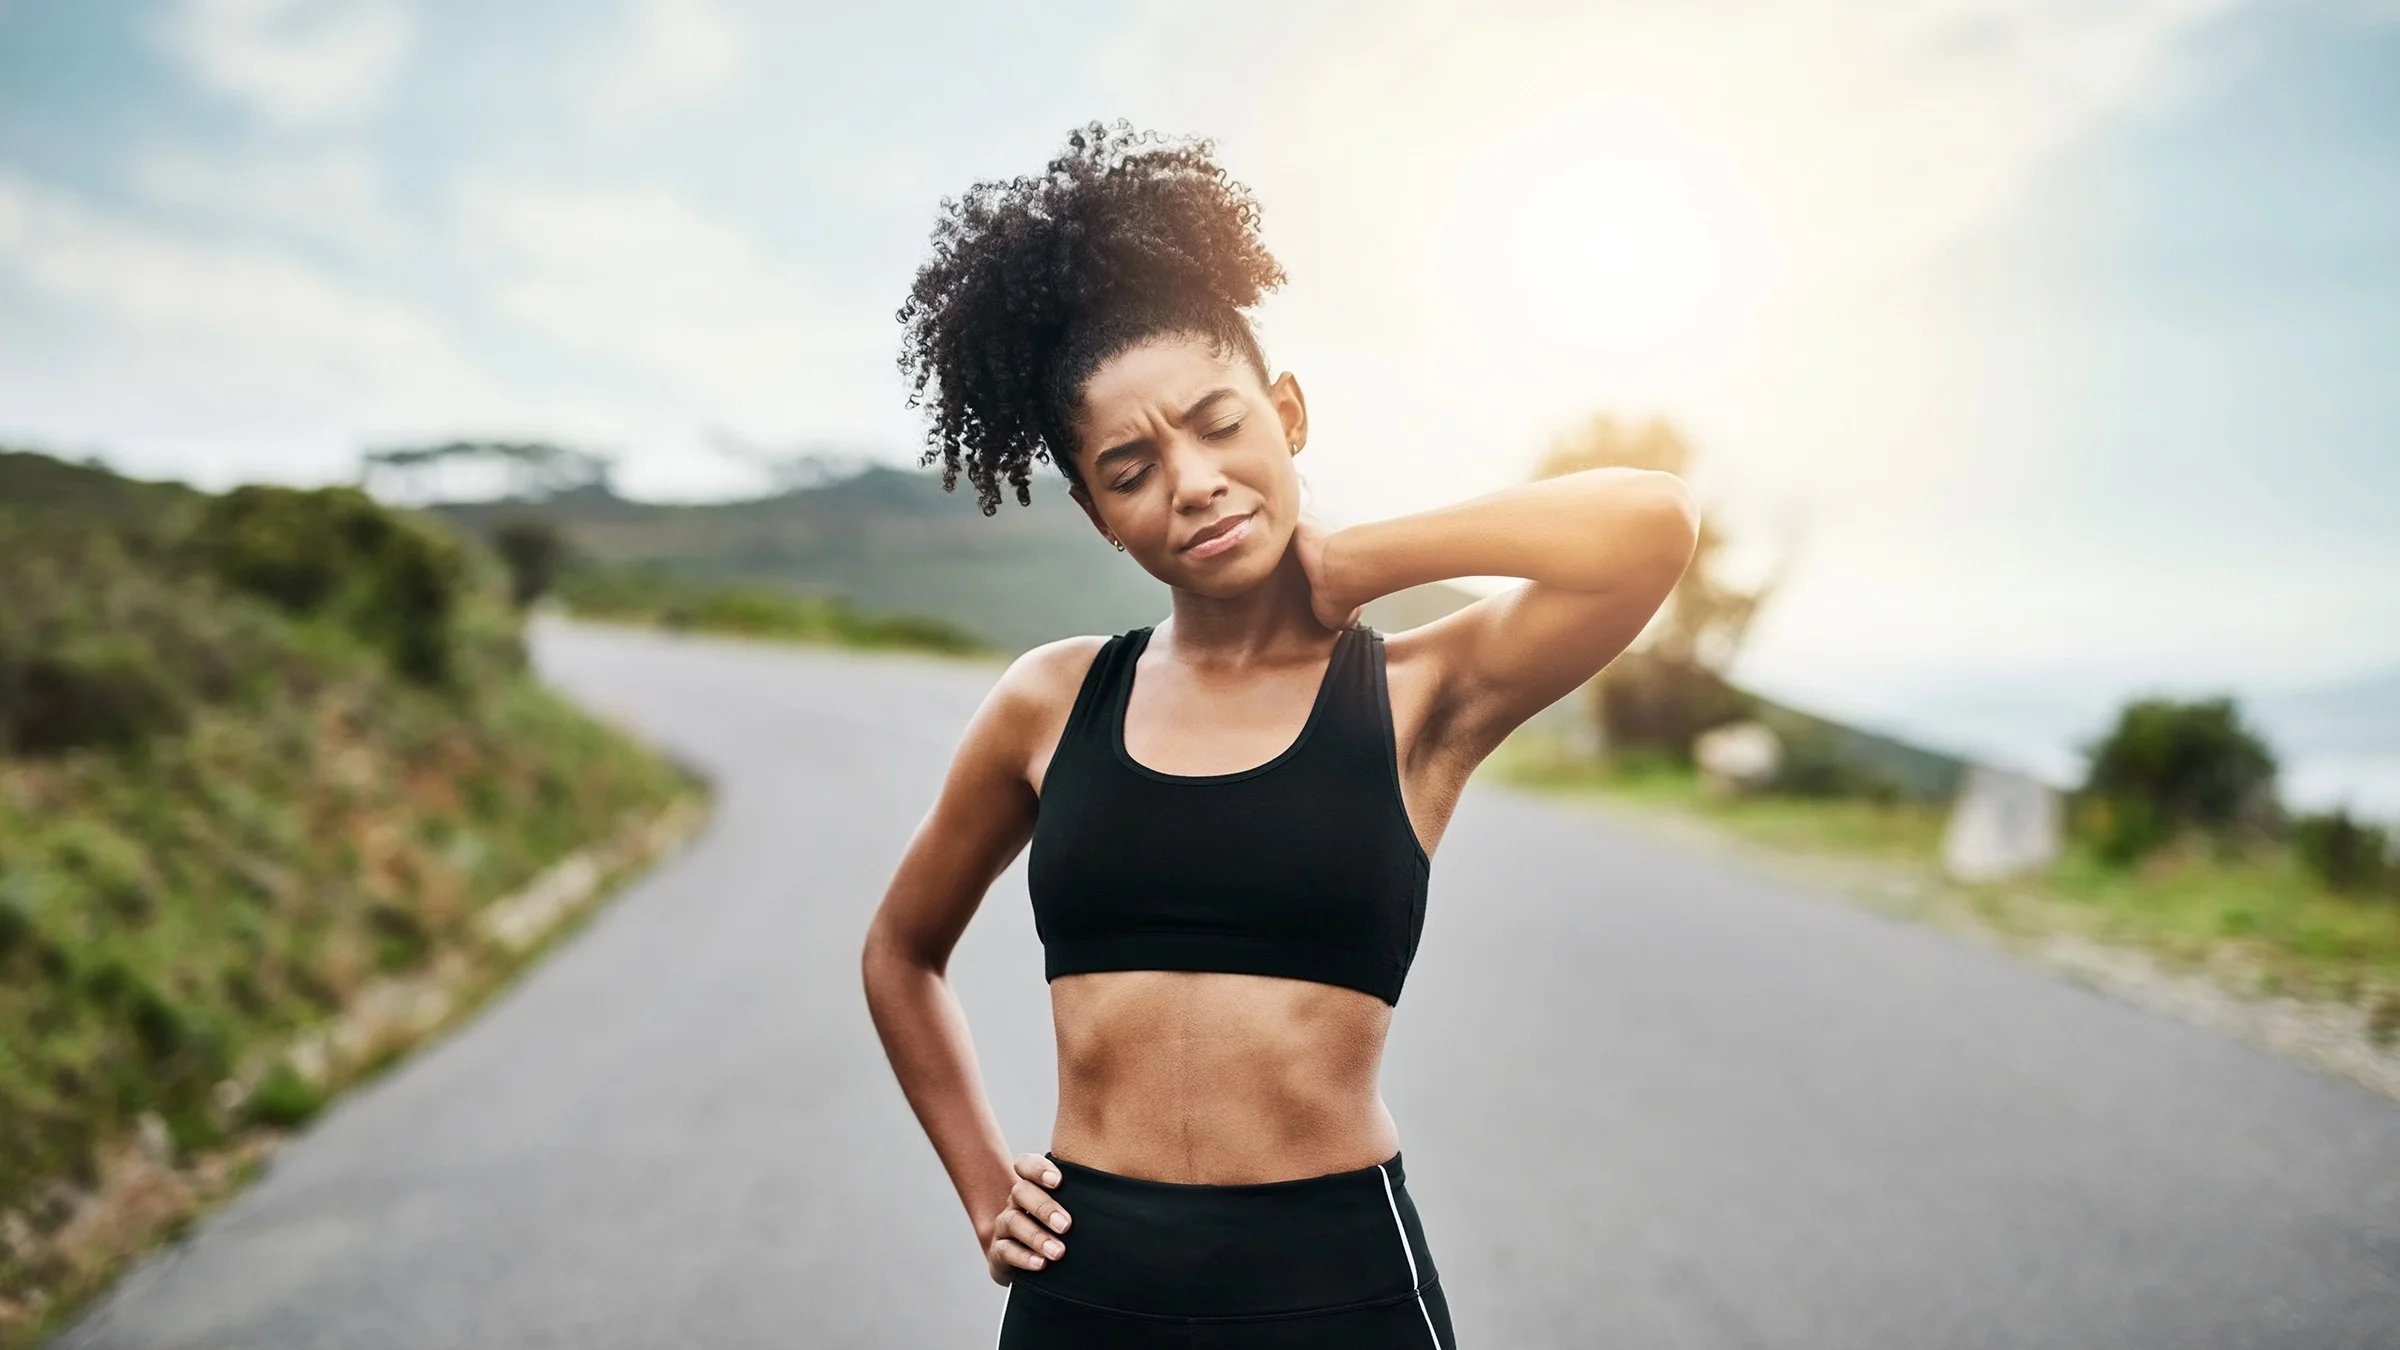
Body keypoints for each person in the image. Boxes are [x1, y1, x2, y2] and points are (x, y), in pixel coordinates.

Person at [862, 121, 1698, 1348]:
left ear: (1288, 412)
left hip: (1333, 1285)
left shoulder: (1421, 697)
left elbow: (1652, 523)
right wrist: (988, 1184)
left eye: (1218, 424)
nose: (1191, 480)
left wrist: (1359, 560)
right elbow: (900, 952)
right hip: (1086, 1288)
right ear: (1098, 514)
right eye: (1131, 467)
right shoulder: (1053, 702)